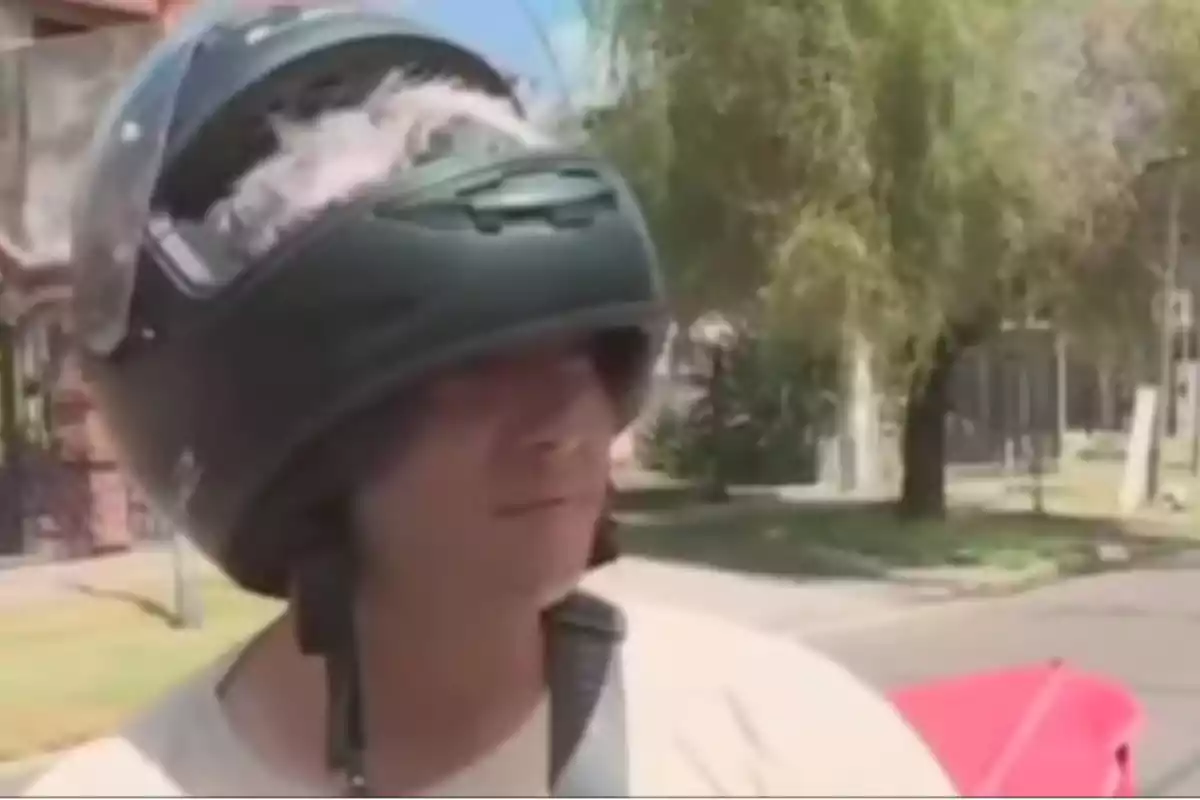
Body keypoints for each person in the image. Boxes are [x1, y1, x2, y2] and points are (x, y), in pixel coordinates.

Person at [25, 3, 956, 796]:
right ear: (286, 444)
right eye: (473, 372)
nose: (565, 426)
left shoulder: (790, 745)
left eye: (582, 351)